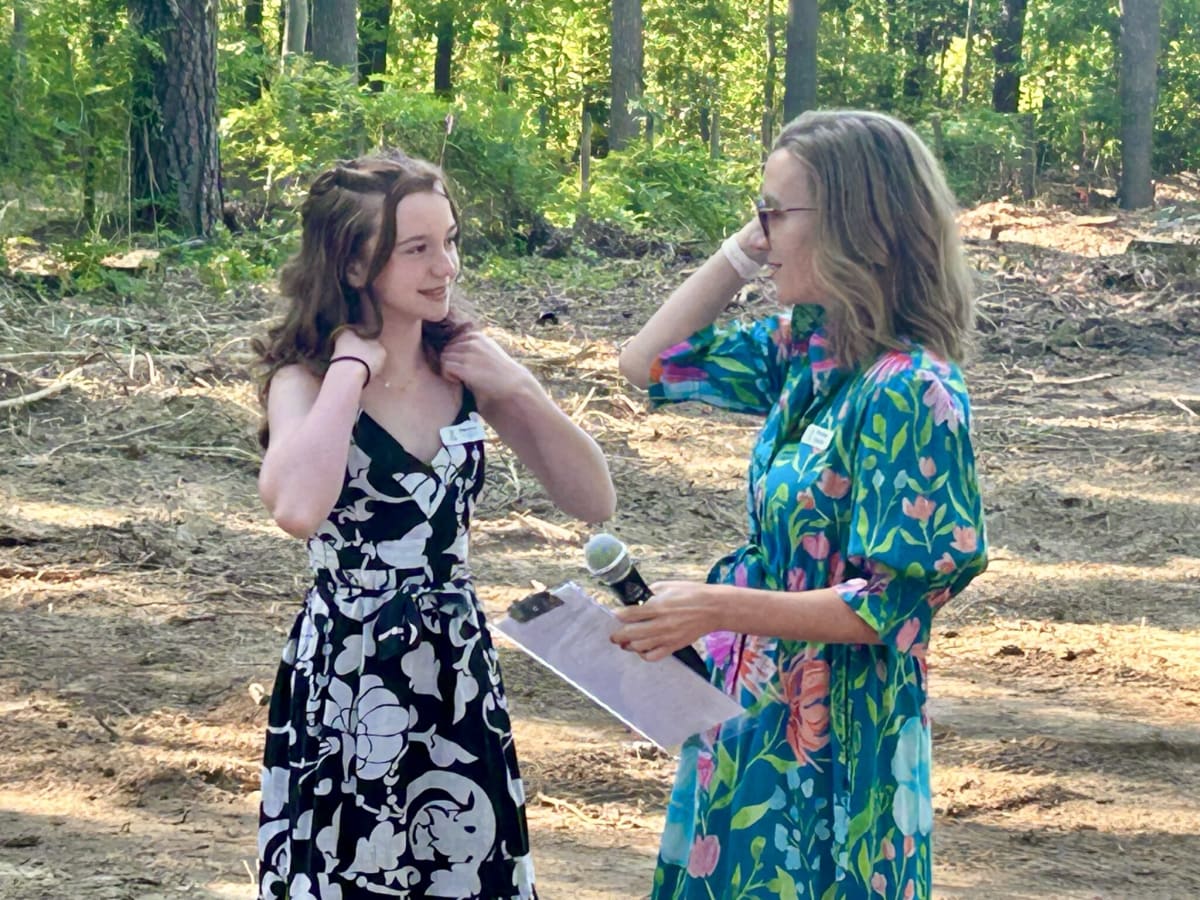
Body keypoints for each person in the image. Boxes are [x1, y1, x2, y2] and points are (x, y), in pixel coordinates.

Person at [613, 110, 988, 899]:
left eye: (775, 214)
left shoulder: (915, 390)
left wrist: (716, 606)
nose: (761, 232)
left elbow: (892, 606)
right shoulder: (807, 352)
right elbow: (646, 364)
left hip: (843, 732)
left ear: (856, 223)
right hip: (753, 707)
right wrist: (737, 254)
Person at [253, 151, 616, 900]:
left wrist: (518, 386)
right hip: (350, 669)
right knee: (352, 868)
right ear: (355, 266)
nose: (443, 265)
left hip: (454, 665)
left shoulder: (466, 368)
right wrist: (351, 373)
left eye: (449, 241)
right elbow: (296, 508)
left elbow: (592, 500)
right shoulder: (308, 379)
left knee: (462, 867)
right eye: (416, 249)